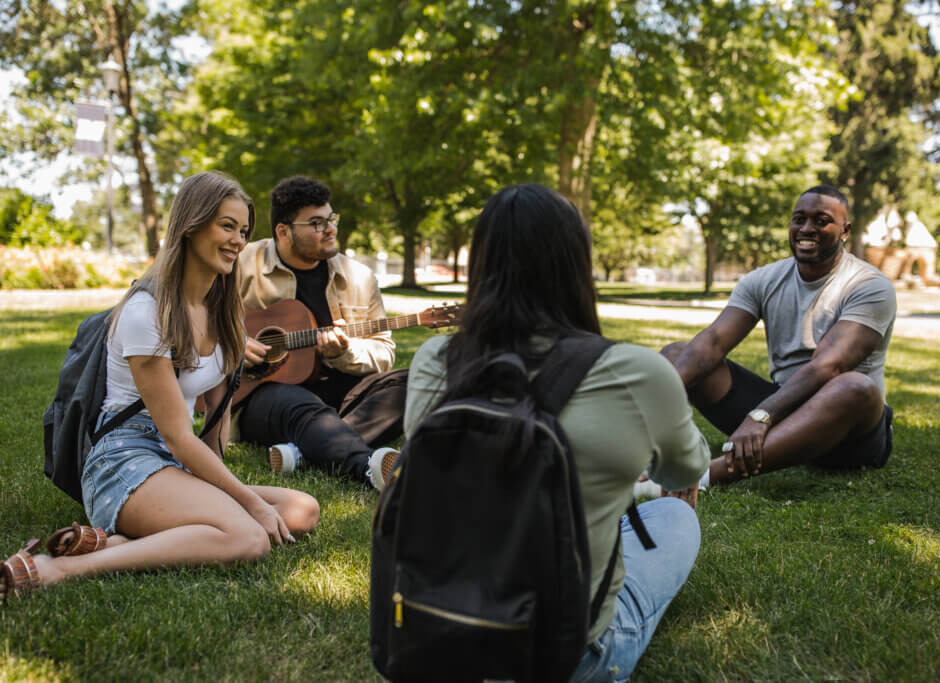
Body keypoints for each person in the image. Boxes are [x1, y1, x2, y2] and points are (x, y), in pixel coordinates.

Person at [398, 183, 710, 681]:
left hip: (444, 641)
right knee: (673, 515)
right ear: (576, 265)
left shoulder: (438, 360)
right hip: (566, 659)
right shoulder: (636, 372)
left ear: (481, 264)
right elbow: (686, 469)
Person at [1, 171, 320, 602]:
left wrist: (222, 489)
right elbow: (176, 433)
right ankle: (60, 568)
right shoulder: (146, 312)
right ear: (191, 224)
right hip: (122, 462)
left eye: (243, 230)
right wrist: (249, 505)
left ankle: (115, 542)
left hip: (176, 462)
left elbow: (212, 428)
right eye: (226, 226)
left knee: (302, 509)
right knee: (249, 537)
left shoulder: (223, 312)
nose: (238, 241)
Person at [661, 184, 897, 487]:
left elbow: (829, 366)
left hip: (847, 431)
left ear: (845, 230)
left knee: (855, 386)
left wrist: (761, 415)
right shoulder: (764, 279)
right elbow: (715, 341)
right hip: (783, 410)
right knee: (677, 356)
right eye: (799, 219)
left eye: (821, 220)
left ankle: (700, 478)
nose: (806, 228)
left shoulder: (868, 285)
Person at [234, 176, 406, 485]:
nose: (330, 230)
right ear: (283, 232)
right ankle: (366, 467)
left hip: (341, 394)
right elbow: (194, 316)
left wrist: (345, 353)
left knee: (408, 384)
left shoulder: (359, 277)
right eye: (316, 223)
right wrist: (235, 341)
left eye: (331, 219)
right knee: (298, 404)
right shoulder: (243, 264)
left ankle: (301, 451)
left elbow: (385, 351)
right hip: (264, 396)